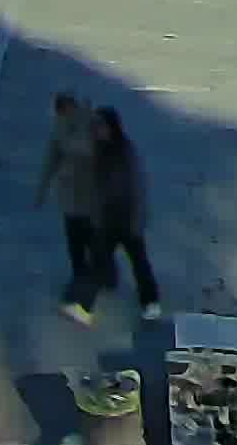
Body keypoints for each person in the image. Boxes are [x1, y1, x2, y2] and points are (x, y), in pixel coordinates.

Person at [77, 106, 163, 322]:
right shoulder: (95, 150)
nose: (98, 130)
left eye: (101, 126)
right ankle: (85, 302)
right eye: (96, 127)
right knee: (97, 258)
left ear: (112, 127)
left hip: (127, 217)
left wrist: (138, 220)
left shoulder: (126, 150)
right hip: (106, 219)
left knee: (139, 262)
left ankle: (150, 302)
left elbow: (138, 186)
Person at [41, 94, 106, 319]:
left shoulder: (91, 128)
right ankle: (84, 281)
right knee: (78, 247)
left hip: (91, 201)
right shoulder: (62, 129)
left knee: (89, 247)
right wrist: (44, 186)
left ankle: (83, 300)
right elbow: (52, 158)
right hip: (72, 201)